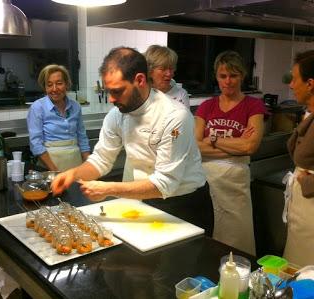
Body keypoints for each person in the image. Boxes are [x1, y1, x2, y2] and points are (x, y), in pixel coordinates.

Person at [52, 47, 211, 231]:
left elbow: (165, 183)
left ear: (140, 80)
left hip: (184, 205)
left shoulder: (174, 116)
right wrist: (73, 174)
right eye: (108, 91)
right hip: (145, 199)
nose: (111, 99)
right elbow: (101, 160)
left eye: (117, 91)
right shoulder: (117, 115)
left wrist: (107, 189)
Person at [194, 50, 266, 255]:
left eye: (233, 75)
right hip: (206, 181)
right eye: (223, 76)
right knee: (209, 232)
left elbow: (250, 147)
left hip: (235, 184)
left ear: (242, 76)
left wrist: (215, 139)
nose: (228, 81)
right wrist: (236, 146)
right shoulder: (206, 107)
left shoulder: (253, 105)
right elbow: (196, 146)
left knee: (237, 238)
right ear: (216, 77)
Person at [282, 50, 314, 266]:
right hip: (302, 212)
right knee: (295, 267)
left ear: (310, 83)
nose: (291, 85)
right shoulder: (308, 112)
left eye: (294, 79)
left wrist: (307, 181)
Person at [27, 64, 90, 171]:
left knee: (76, 188)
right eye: (49, 85)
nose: (54, 89)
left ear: (66, 84)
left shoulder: (76, 106)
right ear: (45, 87)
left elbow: (82, 139)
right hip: (50, 165)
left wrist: (89, 166)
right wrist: (55, 171)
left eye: (59, 83)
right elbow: (36, 144)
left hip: (75, 163)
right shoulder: (37, 107)